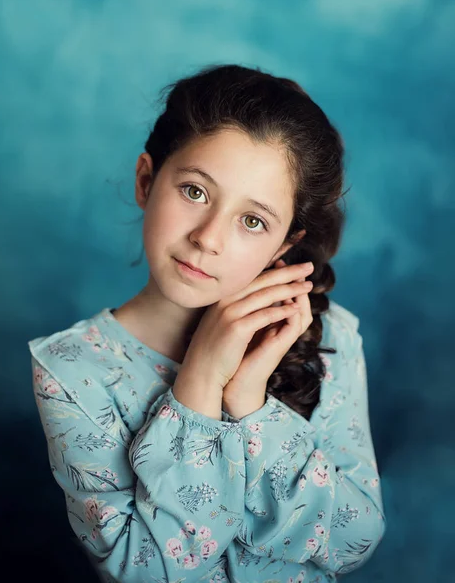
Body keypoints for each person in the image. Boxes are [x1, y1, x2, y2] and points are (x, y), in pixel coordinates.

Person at [28, 64, 386, 583]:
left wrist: (249, 403)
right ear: (146, 181)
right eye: (195, 192)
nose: (209, 238)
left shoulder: (329, 337)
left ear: (284, 244)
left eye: (253, 221)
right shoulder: (70, 370)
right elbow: (147, 572)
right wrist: (198, 381)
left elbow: (355, 539)